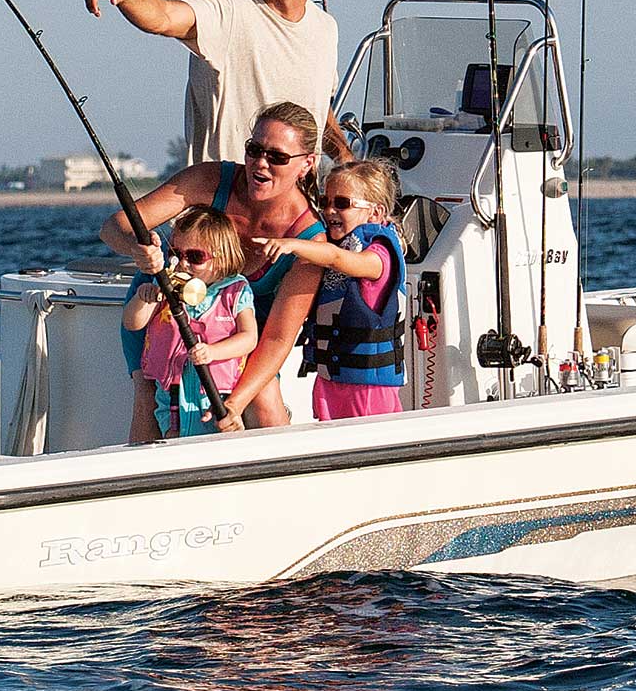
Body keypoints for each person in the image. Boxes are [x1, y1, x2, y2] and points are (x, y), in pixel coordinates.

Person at [101, 101, 328, 433]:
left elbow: (278, 338)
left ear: (306, 164)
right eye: (254, 150)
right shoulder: (210, 179)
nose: (260, 163)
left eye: (276, 157)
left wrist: (234, 404)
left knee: (264, 396)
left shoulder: (309, 241)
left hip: (237, 330)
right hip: (163, 312)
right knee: (149, 396)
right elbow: (113, 228)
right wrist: (139, 252)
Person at [85, 0, 348, 162]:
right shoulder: (228, 6)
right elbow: (164, 16)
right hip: (227, 198)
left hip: (296, 198)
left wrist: (345, 157)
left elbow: (318, 107)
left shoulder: (325, 28)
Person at [256, 158, 407, 421]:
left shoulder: (379, 255)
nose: (329, 211)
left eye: (342, 203)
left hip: (369, 387)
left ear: (375, 213)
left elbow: (337, 259)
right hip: (330, 381)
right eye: (325, 202)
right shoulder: (339, 245)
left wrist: (293, 244)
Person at [121, 206, 256, 440]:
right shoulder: (165, 286)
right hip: (173, 394)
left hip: (217, 395)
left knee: (218, 441)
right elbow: (133, 323)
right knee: (174, 438)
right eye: (176, 254)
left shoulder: (235, 291)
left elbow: (249, 337)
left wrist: (213, 351)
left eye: (195, 257)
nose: (183, 264)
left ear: (221, 260)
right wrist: (143, 298)